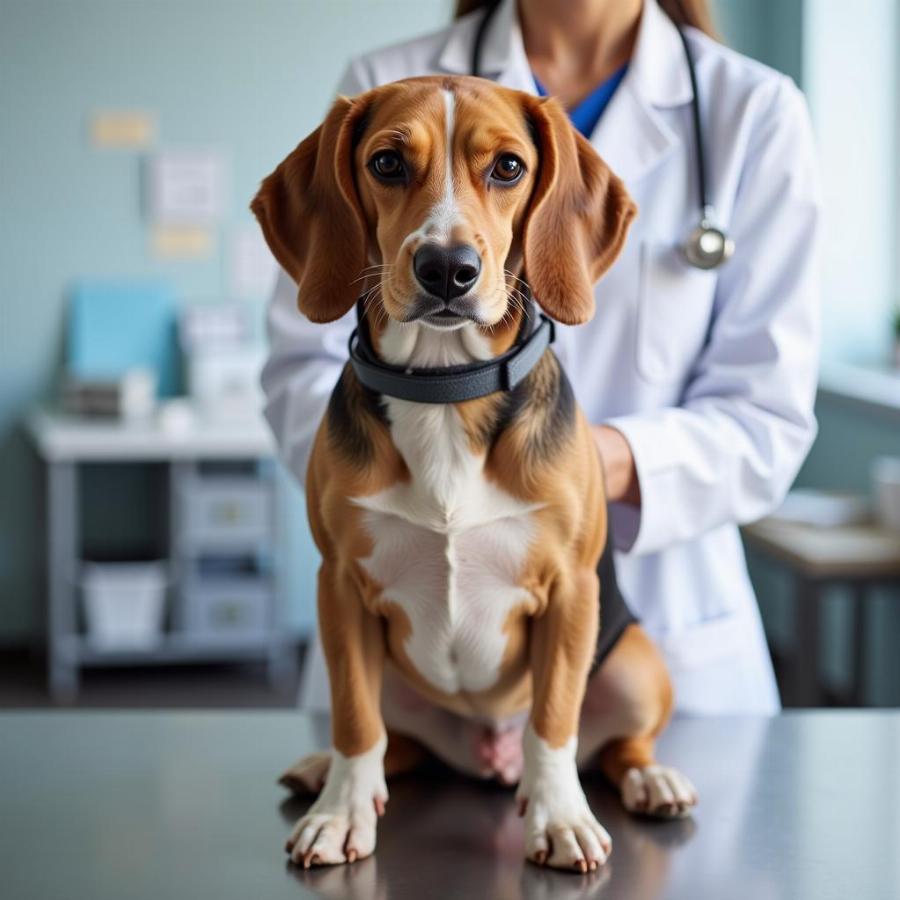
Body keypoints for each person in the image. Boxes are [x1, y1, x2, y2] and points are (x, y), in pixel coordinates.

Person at [262, 0, 820, 757]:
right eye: (396, 168)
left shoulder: (753, 109)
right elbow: (305, 359)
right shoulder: (387, 84)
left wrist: (572, 470)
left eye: (504, 171)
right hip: (405, 670)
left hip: (642, 654)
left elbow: (767, 420)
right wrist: (418, 488)